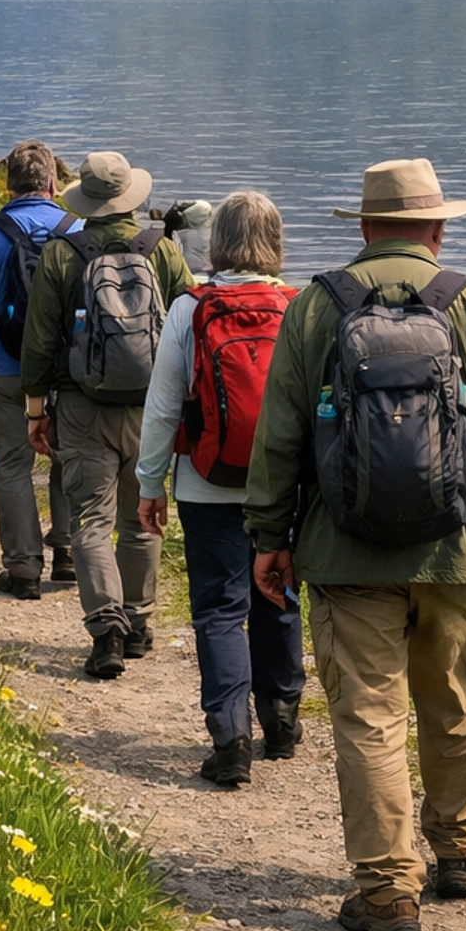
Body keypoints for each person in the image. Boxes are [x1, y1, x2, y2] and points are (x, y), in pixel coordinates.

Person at [245, 157, 466, 931]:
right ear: (438, 227)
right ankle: (459, 852)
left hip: (347, 553)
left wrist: (269, 537)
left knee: (369, 716)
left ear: (362, 226)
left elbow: (280, 436)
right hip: (455, 547)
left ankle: (387, 892)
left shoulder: (317, 307)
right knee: (454, 697)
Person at [136, 190, 305, 787]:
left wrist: (149, 481)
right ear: (276, 241)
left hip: (207, 483)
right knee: (278, 595)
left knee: (219, 610)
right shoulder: (300, 304)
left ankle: (230, 737)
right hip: (284, 490)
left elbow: (161, 409)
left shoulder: (192, 308)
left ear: (219, 242)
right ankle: (282, 723)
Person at [22, 150, 194, 678]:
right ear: (131, 198)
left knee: (90, 522)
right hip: (150, 407)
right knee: (143, 517)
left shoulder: (61, 253)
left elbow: (41, 337)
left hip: (80, 404)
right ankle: (139, 622)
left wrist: (35, 409)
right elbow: (189, 324)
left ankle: (107, 629)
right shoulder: (162, 249)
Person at [0, 139, 81, 602]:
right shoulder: (77, 228)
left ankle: (24, 568)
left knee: (11, 466)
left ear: (7, 186)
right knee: (68, 460)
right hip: (69, 371)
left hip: (7, 368)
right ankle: (67, 552)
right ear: (52, 182)